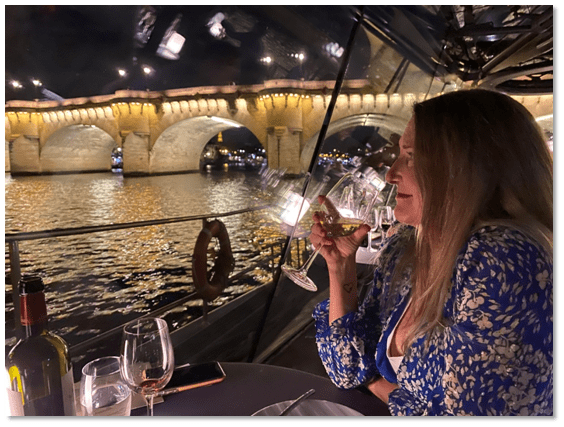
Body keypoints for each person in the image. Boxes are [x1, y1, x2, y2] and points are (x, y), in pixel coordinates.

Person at [310, 89, 553, 416]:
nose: (390, 174)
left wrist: (375, 383)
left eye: (410, 156)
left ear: (466, 167)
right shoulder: (406, 247)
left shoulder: (504, 260)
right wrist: (340, 267)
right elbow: (345, 367)